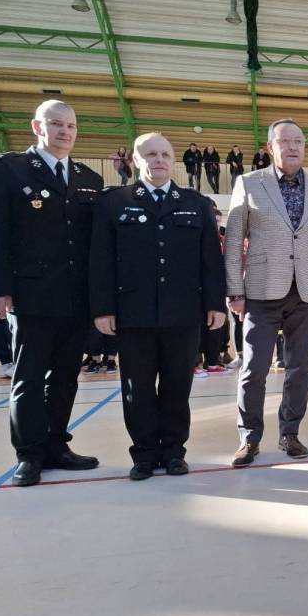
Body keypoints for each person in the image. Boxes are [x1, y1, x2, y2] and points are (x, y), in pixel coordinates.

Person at [0, 100, 103, 486]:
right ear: (37, 127)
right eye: (56, 124)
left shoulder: (88, 177)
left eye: (71, 126)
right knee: (29, 378)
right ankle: (29, 454)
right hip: (30, 297)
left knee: (65, 377)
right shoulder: (7, 168)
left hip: (75, 298)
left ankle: (56, 445)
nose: (65, 132)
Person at [90, 133, 224, 480]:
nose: (159, 160)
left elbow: (211, 259)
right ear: (135, 160)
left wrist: (215, 303)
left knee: (178, 386)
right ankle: (145, 454)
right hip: (133, 313)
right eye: (150, 154)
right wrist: (103, 308)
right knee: (137, 388)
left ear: (173, 160)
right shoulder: (114, 203)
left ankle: (175, 451)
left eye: (165, 154)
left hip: (184, 311)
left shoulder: (196, 203)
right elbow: (101, 260)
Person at [224, 118, 308, 467]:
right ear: (270, 148)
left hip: (307, 292)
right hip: (260, 291)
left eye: (298, 142)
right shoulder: (249, 183)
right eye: (284, 141)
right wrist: (235, 290)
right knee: (254, 369)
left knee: (300, 369)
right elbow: (234, 241)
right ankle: (249, 437)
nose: (292, 147)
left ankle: (290, 432)